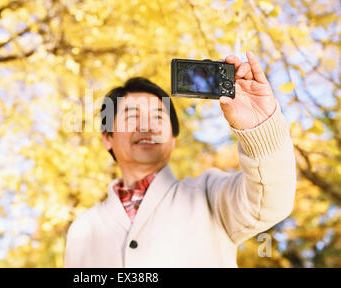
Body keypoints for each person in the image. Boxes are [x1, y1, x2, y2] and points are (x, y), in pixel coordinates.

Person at [64, 51, 296, 267]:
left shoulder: (210, 196)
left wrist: (261, 128)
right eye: (131, 116)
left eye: (157, 117)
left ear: (173, 138)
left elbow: (270, 202)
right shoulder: (83, 229)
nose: (146, 126)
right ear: (107, 138)